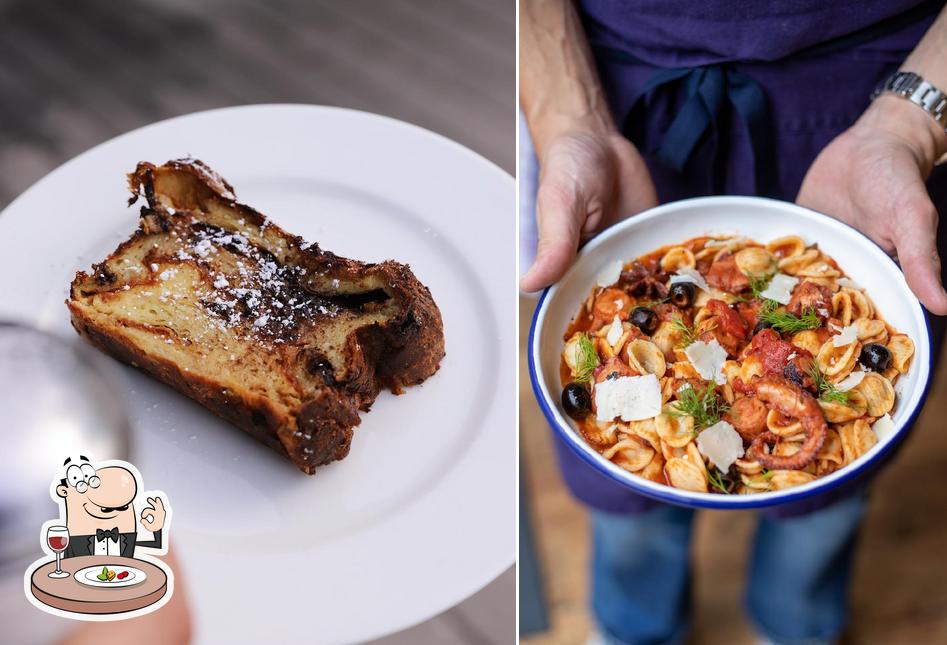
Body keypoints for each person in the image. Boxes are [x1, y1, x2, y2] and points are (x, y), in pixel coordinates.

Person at [520, 2, 947, 644]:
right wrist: (568, 119)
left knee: (824, 510)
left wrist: (911, 125)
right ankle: (636, 631)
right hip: (619, 97)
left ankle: (797, 627)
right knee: (625, 512)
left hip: (871, 98)